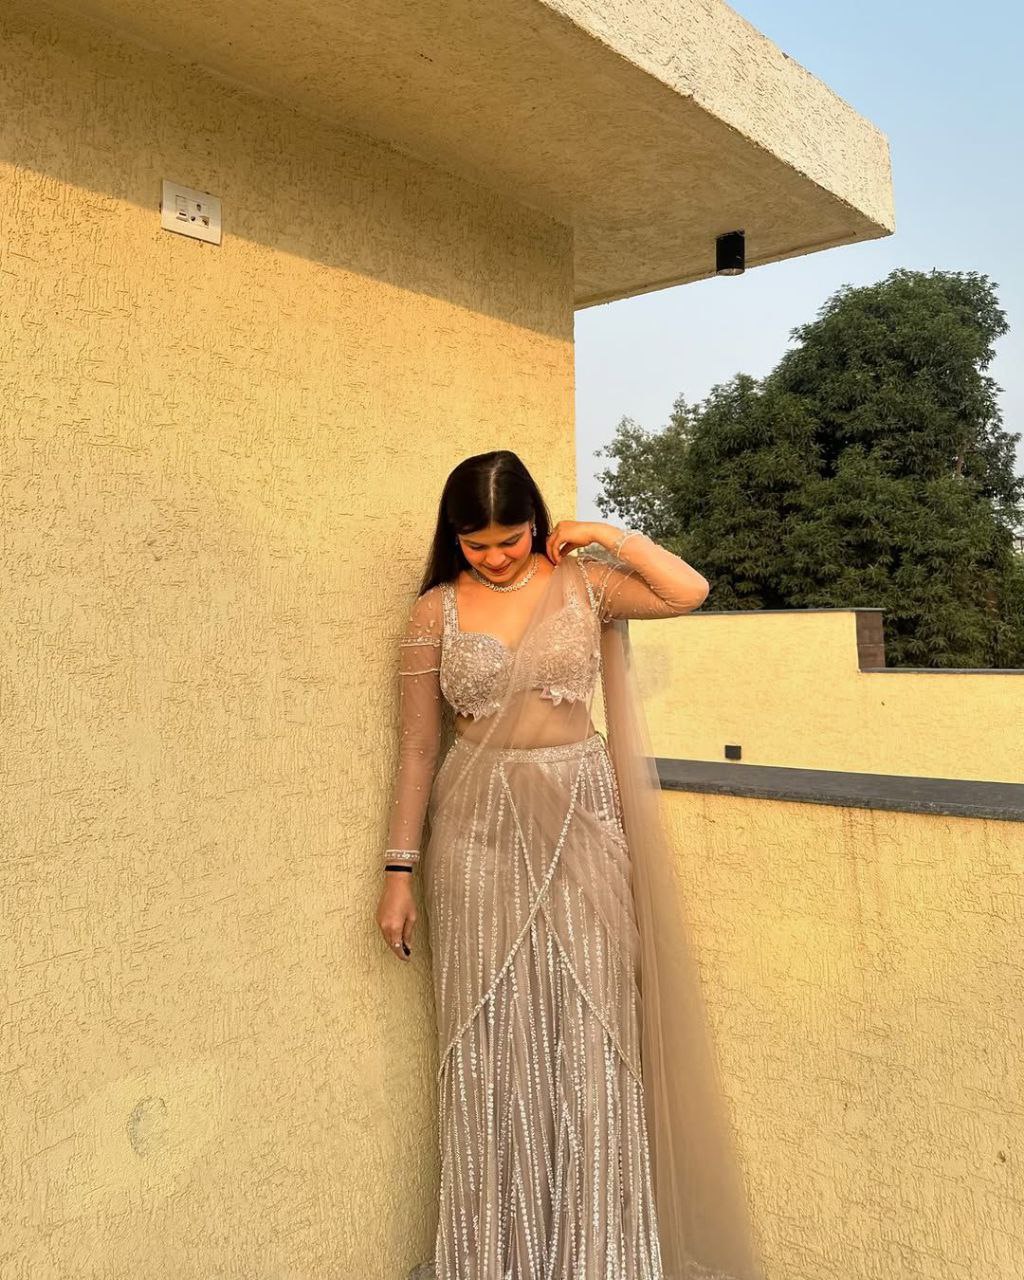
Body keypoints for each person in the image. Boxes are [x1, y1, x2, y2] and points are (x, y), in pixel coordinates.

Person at [376, 451, 766, 1280]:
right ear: (453, 538)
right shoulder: (435, 611)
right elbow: (415, 750)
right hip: (476, 834)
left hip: (582, 819)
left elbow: (687, 591)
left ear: (536, 522)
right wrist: (398, 872)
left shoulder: (585, 583)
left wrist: (605, 535)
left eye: (510, 537)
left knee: (594, 1027)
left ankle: (598, 1257)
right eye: (476, 543)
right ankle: (495, 1258)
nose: (496, 557)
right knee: (488, 1040)